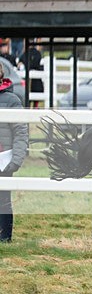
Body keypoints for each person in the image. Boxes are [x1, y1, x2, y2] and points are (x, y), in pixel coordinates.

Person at [0, 64, 28, 242]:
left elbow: (21, 131)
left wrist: (16, 159)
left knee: (3, 201)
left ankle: (4, 238)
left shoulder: (12, 100)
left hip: (3, 160)